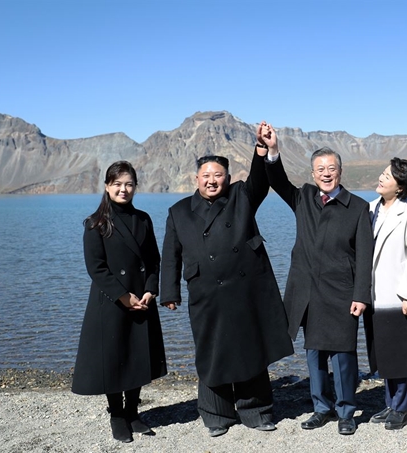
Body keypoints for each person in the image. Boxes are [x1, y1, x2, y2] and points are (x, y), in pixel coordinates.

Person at [159, 130, 294, 438]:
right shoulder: (178, 211)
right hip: (205, 292)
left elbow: (261, 179)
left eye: (218, 175)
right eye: (206, 175)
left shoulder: (241, 196)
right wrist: (169, 292)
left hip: (245, 290)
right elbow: (170, 255)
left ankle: (256, 411)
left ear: (228, 178)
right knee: (212, 349)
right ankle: (216, 413)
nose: (212, 181)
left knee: (249, 347)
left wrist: (262, 149)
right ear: (196, 179)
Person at [259, 123, 373, 435]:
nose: (326, 173)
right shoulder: (303, 198)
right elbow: (276, 179)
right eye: (320, 169)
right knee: (313, 353)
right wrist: (272, 150)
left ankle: (347, 411)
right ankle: (321, 408)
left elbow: (365, 257)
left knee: (344, 354)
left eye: (331, 168)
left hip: (342, 292)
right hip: (306, 291)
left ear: (340, 171)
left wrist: (361, 295)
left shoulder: (359, 208)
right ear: (312, 174)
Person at [72, 161, 168, 443]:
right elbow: (96, 268)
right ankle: (117, 415)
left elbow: (153, 260)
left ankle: (133, 413)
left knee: (137, 356)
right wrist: (124, 297)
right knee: (113, 358)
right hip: (112, 301)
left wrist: (151, 290)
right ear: (106, 187)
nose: (123, 189)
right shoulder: (95, 223)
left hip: (141, 298)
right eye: (117, 184)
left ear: (135, 187)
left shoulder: (143, 219)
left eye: (128, 184)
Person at [365, 158, 407, 430]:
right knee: (385, 353)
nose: (381, 179)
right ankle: (390, 403)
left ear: (401, 186)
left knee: (401, 353)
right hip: (375, 295)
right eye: (382, 173)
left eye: (388, 176)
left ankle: (401, 408)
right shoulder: (370, 209)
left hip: (398, 295)